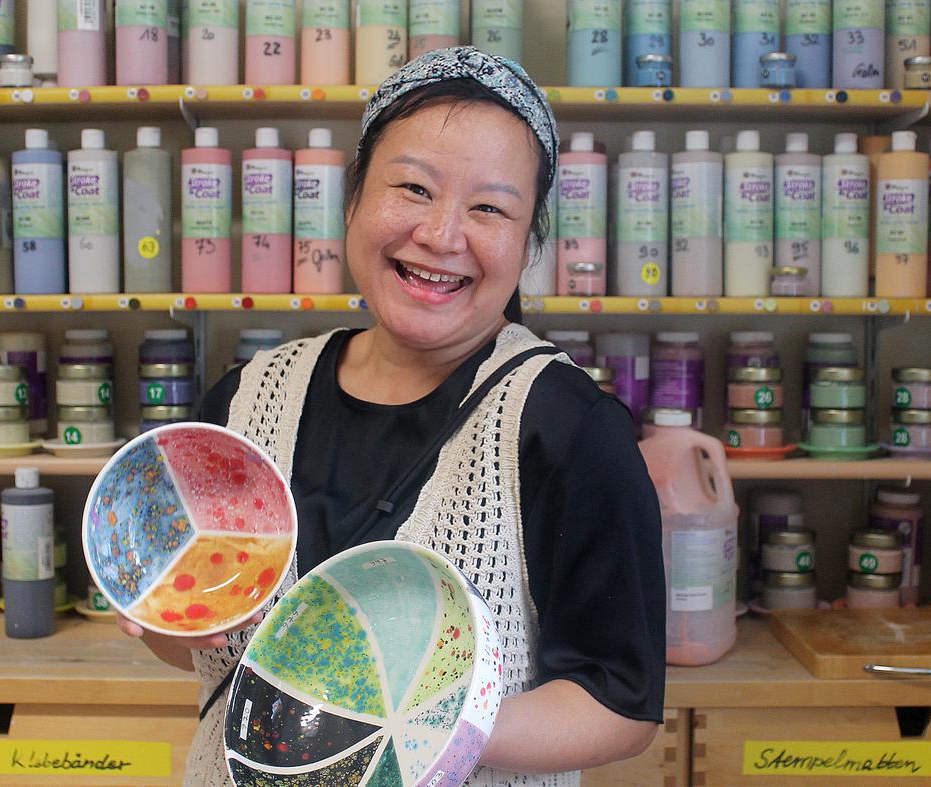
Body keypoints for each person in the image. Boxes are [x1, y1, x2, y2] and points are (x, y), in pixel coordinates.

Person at [118, 47, 664, 785]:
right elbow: (194, 647)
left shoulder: (568, 429)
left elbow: (621, 705)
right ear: (353, 201)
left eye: (489, 208)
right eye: (413, 188)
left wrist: (423, 726)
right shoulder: (245, 401)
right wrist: (164, 614)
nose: (441, 235)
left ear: (529, 243)